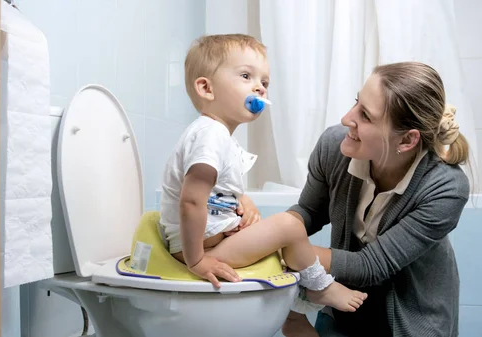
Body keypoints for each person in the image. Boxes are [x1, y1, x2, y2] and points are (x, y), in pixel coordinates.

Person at [157, 33, 368, 313]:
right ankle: (320, 288)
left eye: (264, 82)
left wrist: (242, 201)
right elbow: (191, 201)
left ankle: (293, 310)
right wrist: (197, 260)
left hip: (209, 243)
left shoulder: (218, 135)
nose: (259, 88)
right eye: (246, 76)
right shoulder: (210, 135)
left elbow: (215, 190)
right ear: (207, 88)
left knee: (276, 244)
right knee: (290, 227)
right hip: (195, 251)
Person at [280, 61, 472, 337]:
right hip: (343, 309)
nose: (347, 118)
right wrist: (256, 235)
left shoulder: (445, 187)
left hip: (412, 324)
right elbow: (309, 211)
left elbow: (371, 266)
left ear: (407, 140)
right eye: (356, 102)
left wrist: (282, 247)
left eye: (365, 116)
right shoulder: (334, 147)